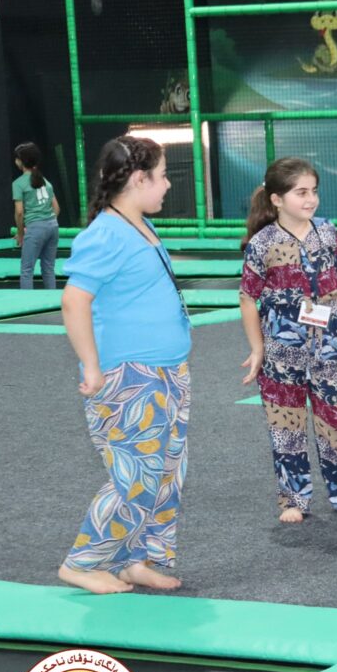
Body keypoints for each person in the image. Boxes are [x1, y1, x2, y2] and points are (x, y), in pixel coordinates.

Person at [58, 135, 191, 594]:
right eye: (162, 176)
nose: (168, 184)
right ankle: (82, 562)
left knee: (166, 473)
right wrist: (92, 366)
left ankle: (139, 558)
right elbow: (74, 301)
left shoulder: (138, 225)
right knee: (135, 476)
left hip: (167, 371)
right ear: (138, 179)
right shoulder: (106, 234)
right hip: (131, 376)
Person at [239, 158, 337, 523]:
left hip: (330, 343)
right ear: (277, 199)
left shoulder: (328, 233)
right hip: (281, 351)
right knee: (286, 427)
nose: (311, 199)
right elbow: (247, 298)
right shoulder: (262, 243)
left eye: (314, 191)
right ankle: (293, 500)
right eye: (301, 192)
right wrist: (257, 348)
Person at [12, 141, 60, 290]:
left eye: (17, 158)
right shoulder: (45, 181)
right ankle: (52, 300)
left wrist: (21, 233)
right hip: (53, 226)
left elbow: (19, 212)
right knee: (48, 268)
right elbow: (56, 208)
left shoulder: (19, 183)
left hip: (36, 227)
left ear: (20, 161)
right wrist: (48, 223)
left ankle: (26, 301)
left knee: (26, 270)